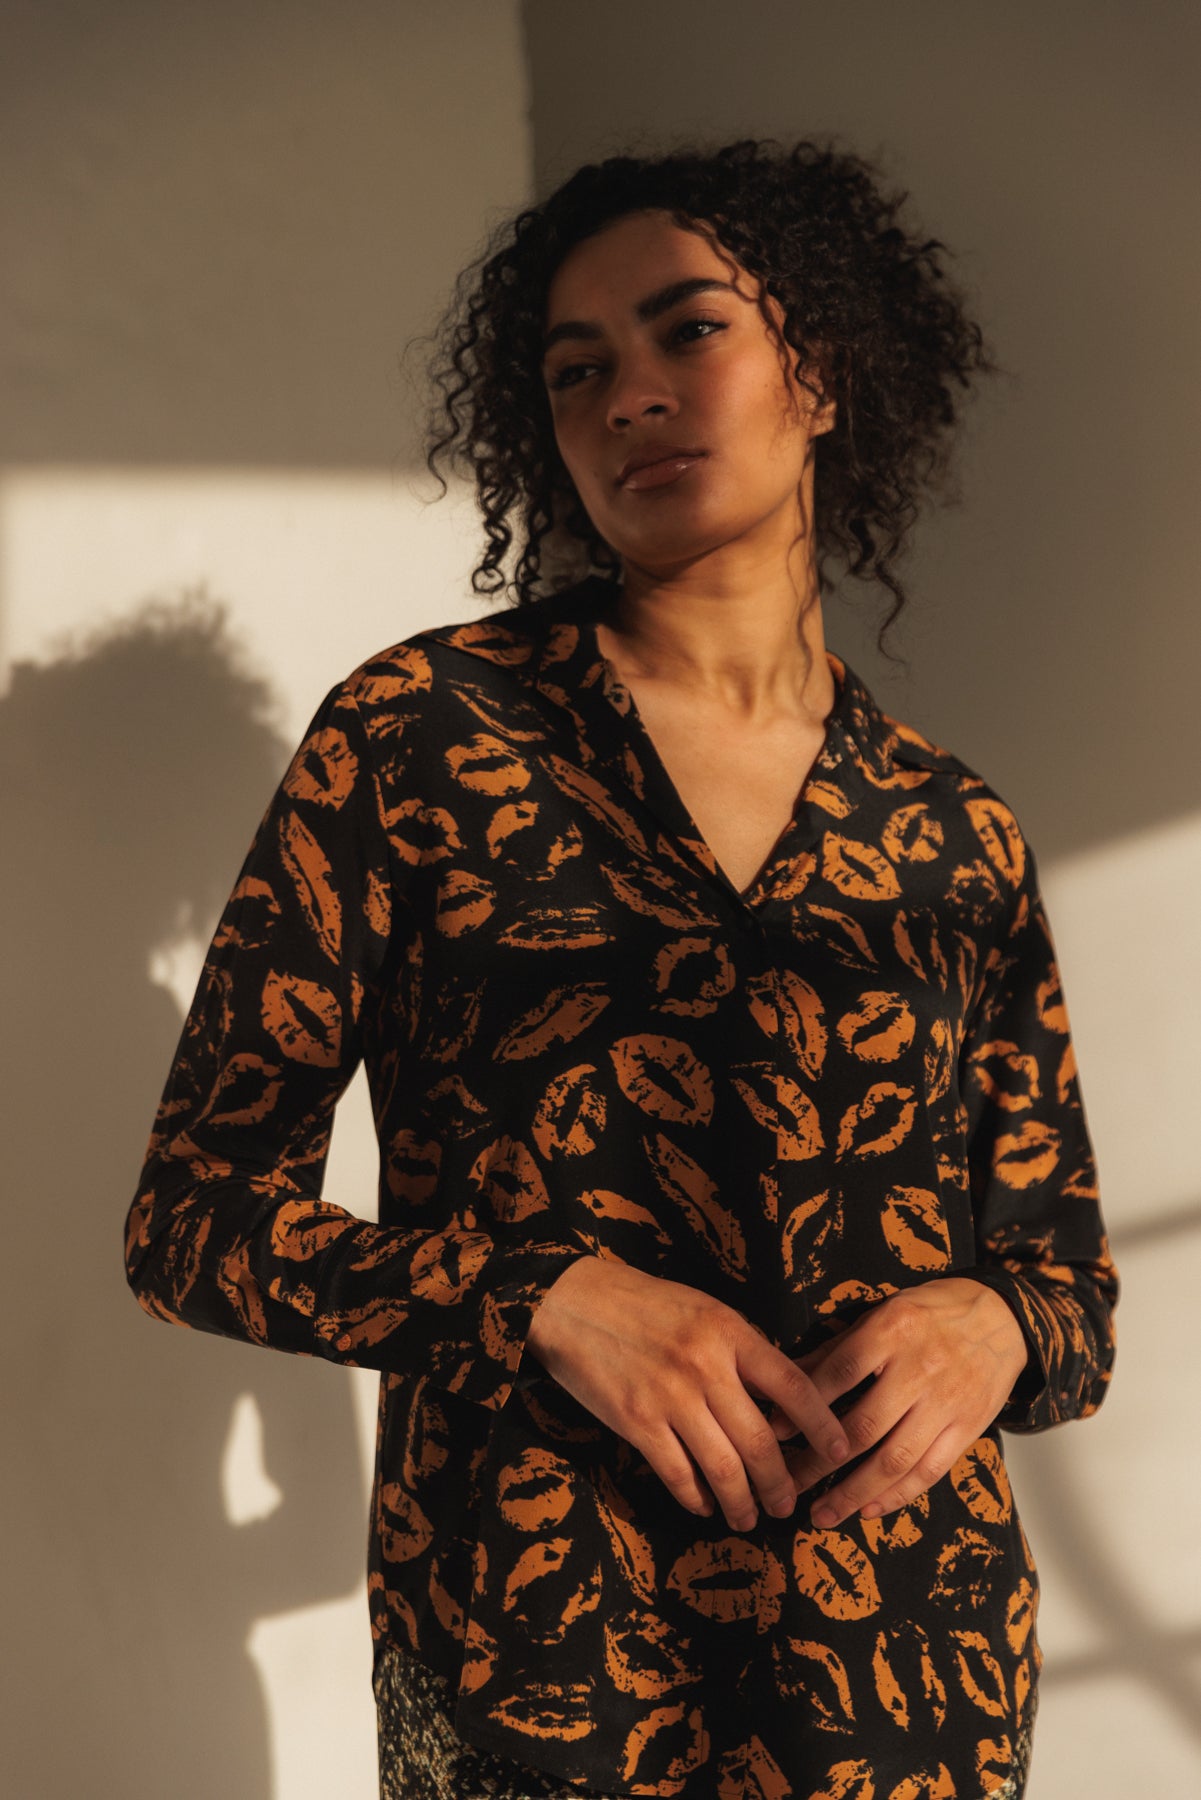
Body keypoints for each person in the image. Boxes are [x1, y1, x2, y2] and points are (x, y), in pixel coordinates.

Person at [125, 138, 1118, 1800]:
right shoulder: (420, 736)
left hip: (907, 1669)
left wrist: (993, 1324)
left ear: (821, 368)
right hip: (536, 1654)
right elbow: (193, 1219)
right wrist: (538, 1295)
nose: (628, 396)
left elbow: (1069, 1282)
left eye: (686, 332)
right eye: (576, 369)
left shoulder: (953, 830)